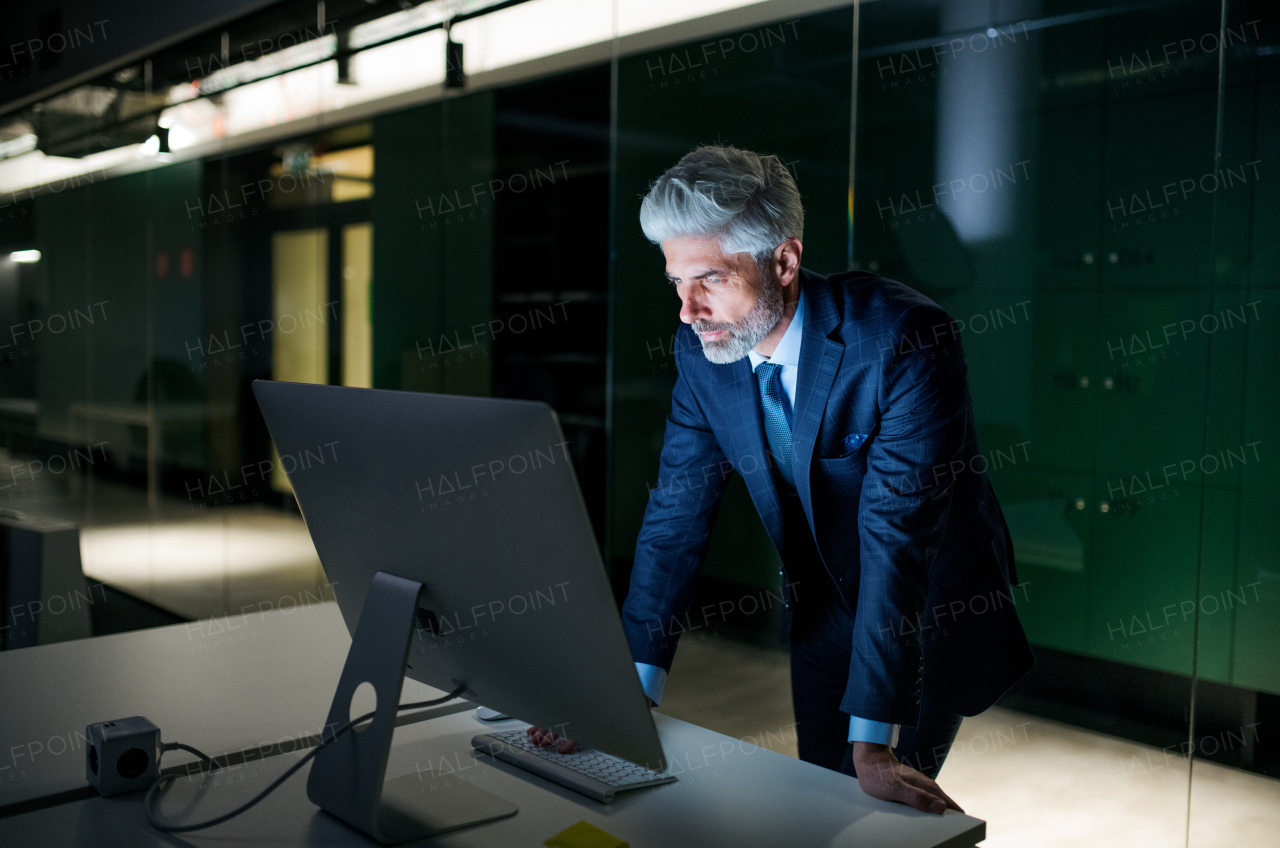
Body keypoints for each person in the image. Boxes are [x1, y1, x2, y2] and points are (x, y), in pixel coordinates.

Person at [531, 144, 1034, 815]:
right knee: (818, 804)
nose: (687, 310)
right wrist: (627, 694)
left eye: (710, 278)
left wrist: (875, 743)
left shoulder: (905, 340)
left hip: (925, 612)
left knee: (876, 814)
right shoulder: (703, 349)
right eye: (676, 282)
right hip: (823, 606)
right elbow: (676, 515)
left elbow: (897, 537)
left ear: (785, 261)